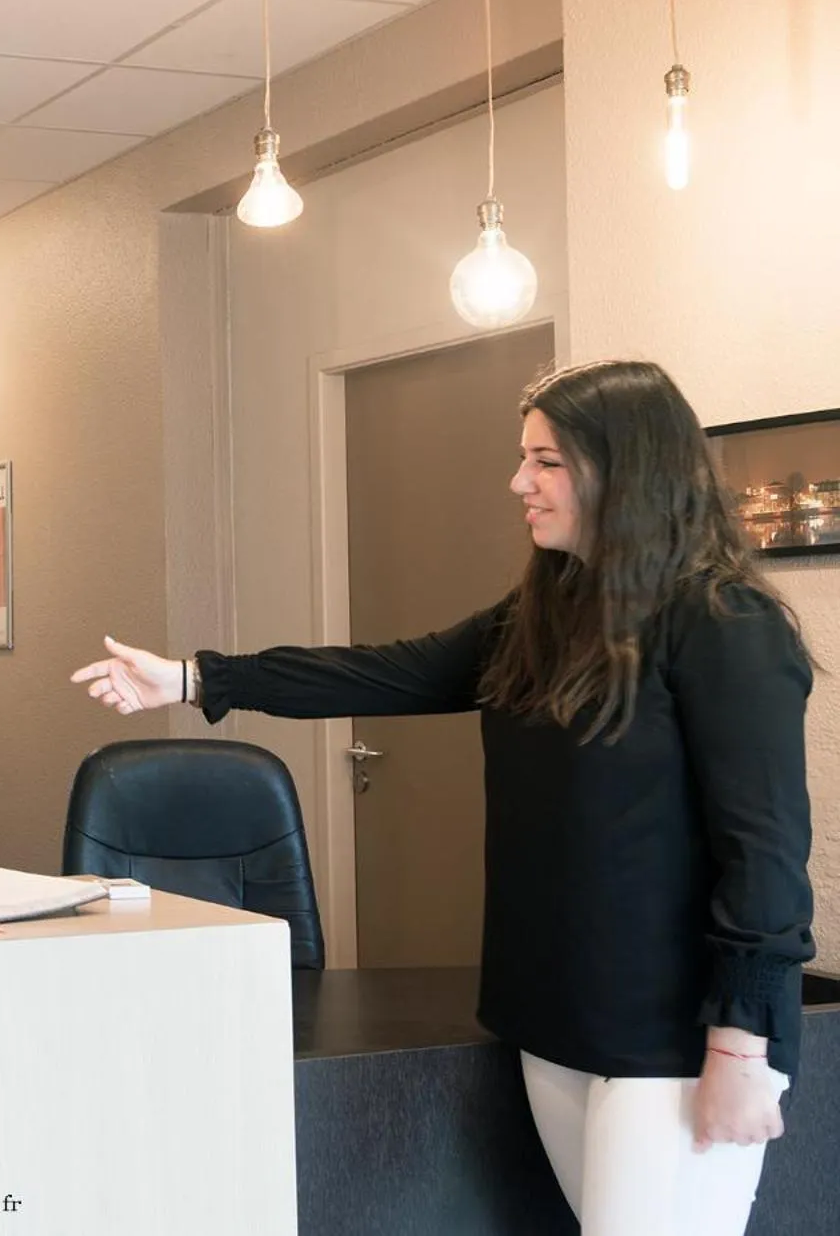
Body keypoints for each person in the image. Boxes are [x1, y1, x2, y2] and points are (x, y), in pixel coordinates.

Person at [71, 360, 814, 1236]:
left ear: (625, 468)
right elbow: (391, 669)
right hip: (555, 1015)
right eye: (522, 457)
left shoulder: (726, 624)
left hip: (672, 1042)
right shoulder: (550, 610)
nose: (518, 483)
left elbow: (762, 849)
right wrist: (197, 676)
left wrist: (740, 1042)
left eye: (545, 461)